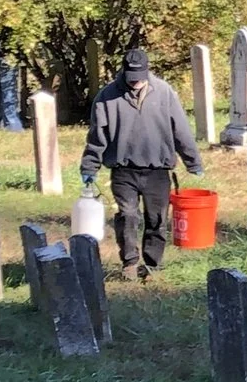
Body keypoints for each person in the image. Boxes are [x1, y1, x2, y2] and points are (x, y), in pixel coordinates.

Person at [78, 48, 203, 279]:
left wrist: (193, 161)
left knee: (156, 219)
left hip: (157, 170)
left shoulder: (164, 93)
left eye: (140, 77)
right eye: (131, 77)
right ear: (123, 72)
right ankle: (130, 263)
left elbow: (181, 130)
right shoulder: (107, 97)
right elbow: (97, 137)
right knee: (128, 216)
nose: (136, 82)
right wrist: (89, 167)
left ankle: (153, 265)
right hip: (123, 171)